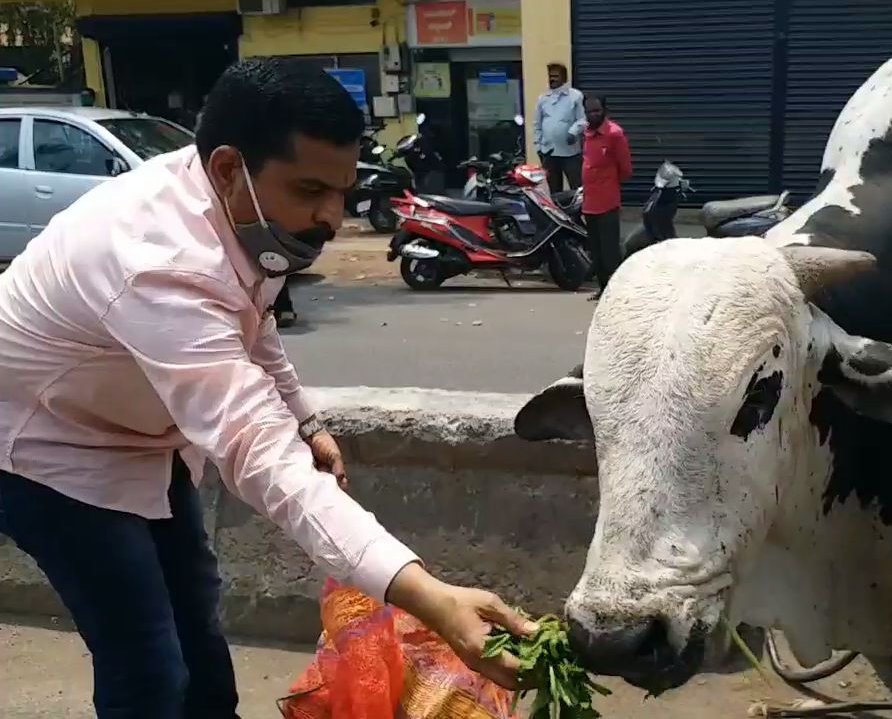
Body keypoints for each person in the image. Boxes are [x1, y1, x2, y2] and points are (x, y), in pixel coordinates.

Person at [0, 57, 535, 718]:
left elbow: (250, 326)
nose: (331, 218)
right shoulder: (156, 263)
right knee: (146, 659)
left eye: (341, 191)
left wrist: (304, 419)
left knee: (198, 626)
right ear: (228, 168)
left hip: (143, 436)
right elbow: (258, 453)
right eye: (311, 190)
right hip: (51, 452)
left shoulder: (245, 215)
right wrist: (431, 597)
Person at [581, 94, 632, 301]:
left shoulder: (614, 134)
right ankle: (603, 289)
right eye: (589, 111)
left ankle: (616, 294)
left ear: (605, 110)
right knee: (597, 252)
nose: (593, 115)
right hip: (589, 203)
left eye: (597, 111)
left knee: (610, 253)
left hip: (607, 202)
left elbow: (626, 169)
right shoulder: (587, 134)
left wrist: (607, 183)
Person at [533, 62, 586, 194]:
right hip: (549, 153)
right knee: (554, 191)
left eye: (556, 76)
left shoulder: (575, 96)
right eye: (550, 76)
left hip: (570, 153)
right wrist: (538, 148)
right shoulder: (543, 99)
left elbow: (583, 119)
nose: (552, 79)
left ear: (564, 78)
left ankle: (576, 214)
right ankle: (557, 213)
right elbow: (537, 124)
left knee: (577, 187)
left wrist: (573, 132)